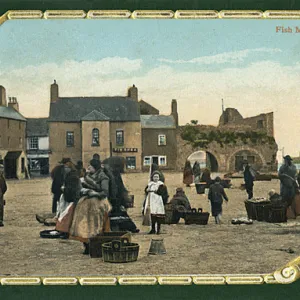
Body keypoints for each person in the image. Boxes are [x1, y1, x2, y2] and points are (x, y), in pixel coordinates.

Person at [69, 159, 111, 254]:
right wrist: (83, 190)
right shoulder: (87, 176)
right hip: (86, 202)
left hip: (98, 202)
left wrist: (94, 193)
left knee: (95, 225)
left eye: (90, 166)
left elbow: (105, 192)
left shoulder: (103, 177)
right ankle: (86, 245)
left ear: (95, 168)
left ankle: (96, 245)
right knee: (83, 224)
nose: (88, 168)